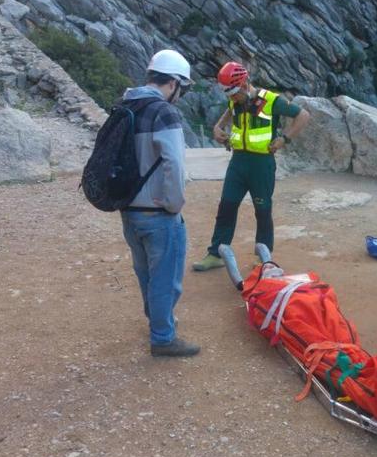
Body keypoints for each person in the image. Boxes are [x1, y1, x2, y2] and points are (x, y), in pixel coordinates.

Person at [192, 62, 311, 271]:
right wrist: (217, 130)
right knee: (226, 207)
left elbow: (303, 115)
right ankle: (215, 254)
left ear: (245, 84)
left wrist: (285, 139)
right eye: (229, 95)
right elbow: (221, 123)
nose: (232, 99)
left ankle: (263, 258)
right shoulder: (234, 102)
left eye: (235, 94)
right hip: (238, 162)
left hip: (261, 164)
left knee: (262, 210)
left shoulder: (271, 100)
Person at [121, 49, 200, 357]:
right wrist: (174, 205)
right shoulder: (163, 112)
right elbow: (174, 165)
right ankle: (163, 337)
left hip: (129, 210)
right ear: (174, 83)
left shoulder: (126, 105)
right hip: (157, 212)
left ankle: (157, 321)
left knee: (145, 273)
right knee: (166, 279)